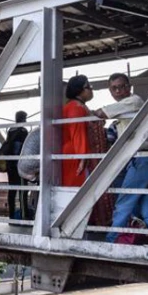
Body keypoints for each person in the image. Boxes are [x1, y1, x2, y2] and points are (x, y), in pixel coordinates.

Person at [94, 73, 148, 248]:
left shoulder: (133, 101)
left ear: (129, 87)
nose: (118, 91)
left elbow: (100, 113)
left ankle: (109, 245)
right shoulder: (127, 106)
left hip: (141, 160)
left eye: (121, 87)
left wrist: (86, 111)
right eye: (114, 88)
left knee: (124, 204)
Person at [62, 75, 114, 226]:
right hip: (77, 156)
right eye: (88, 87)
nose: (91, 89)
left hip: (80, 154)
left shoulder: (79, 106)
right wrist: (83, 157)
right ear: (79, 90)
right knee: (82, 192)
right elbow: (77, 133)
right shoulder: (75, 107)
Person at [4, 111, 28, 220]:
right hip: (20, 165)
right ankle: (24, 214)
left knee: (12, 190)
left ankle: (11, 215)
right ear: (23, 119)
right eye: (25, 118)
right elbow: (26, 148)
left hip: (10, 165)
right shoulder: (23, 131)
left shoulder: (10, 131)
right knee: (23, 190)